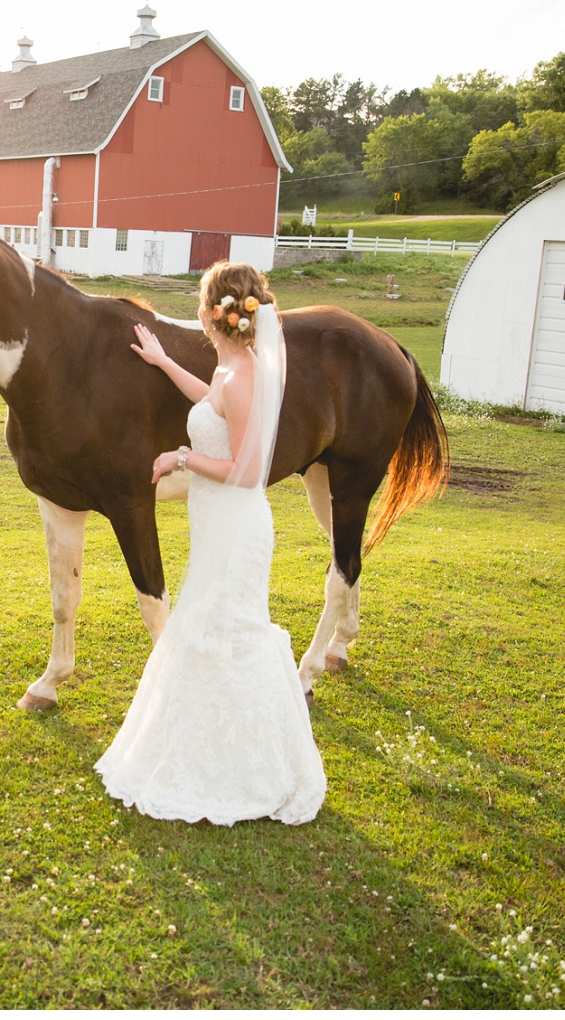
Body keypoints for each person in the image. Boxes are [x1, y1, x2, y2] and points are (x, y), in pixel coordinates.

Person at [92, 262, 327, 825]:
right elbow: (211, 403)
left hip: (236, 528)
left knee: (227, 633)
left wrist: (180, 458)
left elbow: (246, 471)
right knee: (209, 630)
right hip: (217, 525)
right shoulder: (229, 368)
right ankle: (213, 753)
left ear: (212, 314)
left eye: (201, 301)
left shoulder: (243, 375)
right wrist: (164, 361)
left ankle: (250, 770)